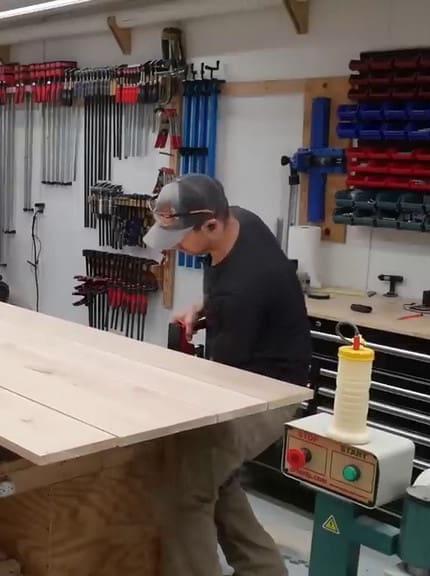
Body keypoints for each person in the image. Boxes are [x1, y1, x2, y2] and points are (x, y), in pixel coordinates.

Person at [142, 174, 312, 576]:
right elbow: (226, 289)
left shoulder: (245, 288)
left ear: (211, 225)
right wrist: (202, 305)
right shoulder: (242, 221)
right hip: (251, 370)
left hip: (266, 394)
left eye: (182, 238)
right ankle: (265, 570)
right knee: (216, 476)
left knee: (189, 490)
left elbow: (223, 387)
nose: (177, 248)